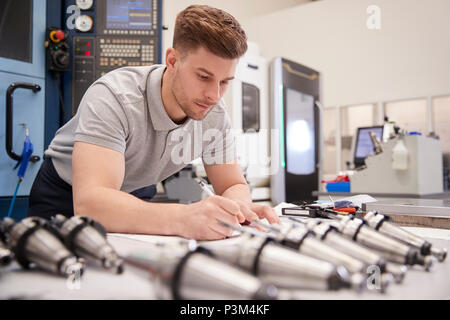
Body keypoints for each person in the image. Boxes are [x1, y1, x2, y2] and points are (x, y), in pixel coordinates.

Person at [29, 5, 280, 240]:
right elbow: (92, 204)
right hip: (66, 195)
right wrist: (186, 218)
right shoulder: (115, 97)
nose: (214, 95)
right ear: (172, 61)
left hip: (133, 194)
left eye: (225, 81)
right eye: (204, 77)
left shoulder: (214, 113)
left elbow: (233, 184)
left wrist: (238, 209)